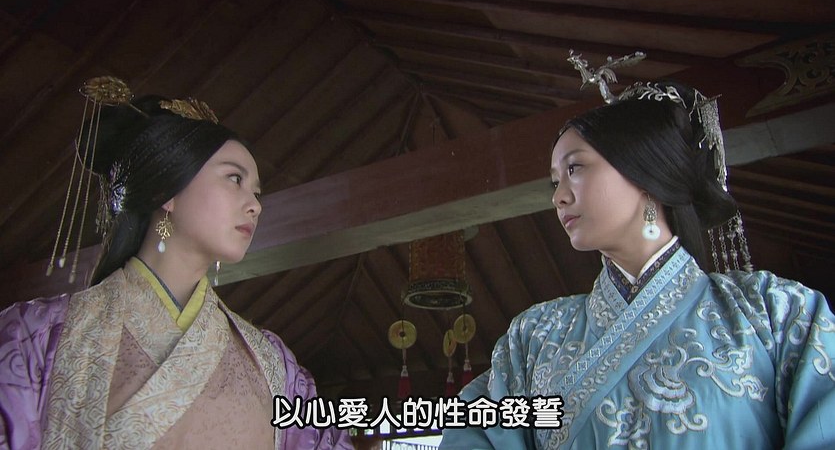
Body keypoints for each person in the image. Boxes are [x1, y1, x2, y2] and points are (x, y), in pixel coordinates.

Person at [440, 59, 835, 449]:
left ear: (646, 174)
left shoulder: (774, 313)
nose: (558, 196)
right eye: (555, 181)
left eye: (575, 169)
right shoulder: (533, 337)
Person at [0, 77, 353, 449]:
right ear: (166, 190)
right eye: (235, 178)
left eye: (256, 192)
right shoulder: (36, 341)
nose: (255, 205)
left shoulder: (274, 365)